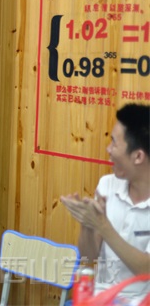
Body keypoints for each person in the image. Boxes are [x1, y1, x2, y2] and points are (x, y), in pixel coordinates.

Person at [61, 103, 150, 297]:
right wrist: (88, 223)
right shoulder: (107, 185)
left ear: (138, 156)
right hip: (101, 297)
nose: (108, 149)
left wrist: (102, 225)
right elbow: (88, 257)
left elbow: (145, 269)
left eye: (114, 143)